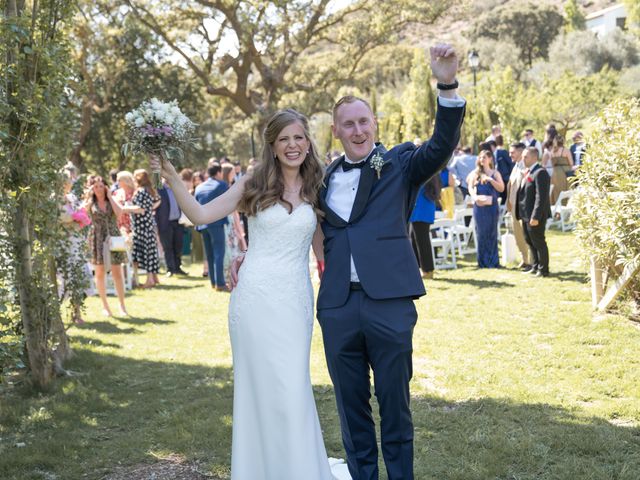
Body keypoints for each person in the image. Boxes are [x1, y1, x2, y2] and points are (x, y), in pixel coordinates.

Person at [150, 108, 350, 479]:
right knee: (259, 390)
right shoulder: (253, 183)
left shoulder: (317, 186)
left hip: (294, 301)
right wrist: (172, 176)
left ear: (308, 142)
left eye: (298, 137)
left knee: (292, 387)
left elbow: (326, 250)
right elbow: (199, 215)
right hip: (255, 299)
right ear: (272, 146)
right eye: (284, 139)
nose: (292, 145)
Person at [311, 43, 464, 480]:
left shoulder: (399, 164)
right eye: (348, 124)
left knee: (396, 406)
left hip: (391, 303)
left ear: (374, 123)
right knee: (350, 409)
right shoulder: (320, 179)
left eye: (364, 121)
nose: (358, 130)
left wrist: (447, 83)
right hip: (338, 307)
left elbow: (441, 145)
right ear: (337, 132)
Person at [84, 175, 130, 317]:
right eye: (95, 186)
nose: (98, 189)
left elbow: (119, 213)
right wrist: (88, 194)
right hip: (97, 238)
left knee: (117, 272)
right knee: (100, 273)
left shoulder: (112, 200)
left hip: (113, 237)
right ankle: (105, 306)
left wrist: (110, 196)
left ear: (105, 187)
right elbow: (83, 212)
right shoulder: (90, 203)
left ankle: (122, 306)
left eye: (101, 186)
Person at [516, 147, 551, 277]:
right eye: (523, 157)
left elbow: (541, 197)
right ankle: (535, 265)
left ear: (534, 157)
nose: (523, 159)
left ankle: (543, 269)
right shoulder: (529, 172)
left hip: (535, 215)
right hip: (525, 214)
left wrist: (535, 216)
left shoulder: (540, 172)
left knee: (539, 241)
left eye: (526, 157)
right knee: (530, 241)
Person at [194, 163, 229, 291]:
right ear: (219, 172)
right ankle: (220, 283)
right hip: (217, 223)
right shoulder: (222, 185)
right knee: (219, 253)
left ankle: (213, 282)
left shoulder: (199, 187)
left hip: (203, 224)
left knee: (209, 255)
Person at [467, 150, 504, 268]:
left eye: (484, 157)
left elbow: (501, 189)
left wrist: (491, 180)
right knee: (481, 233)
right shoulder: (475, 173)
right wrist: (475, 197)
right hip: (479, 207)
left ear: (490, 159)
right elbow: (470, 187)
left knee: (492, 233)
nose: (482, 159)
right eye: (480, 157)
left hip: (492, 207)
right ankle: (482, 262)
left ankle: (493, 262)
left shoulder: (495, 173)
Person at [129, 169, 161, 288]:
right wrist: (150, 209)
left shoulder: (140, 191)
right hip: (148, 225)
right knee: (151, 252)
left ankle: (149, 280)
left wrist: (126, 208)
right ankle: (153, 278)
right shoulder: (150, 190)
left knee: (146, 253)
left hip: (141, 226)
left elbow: (140, 209)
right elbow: (158, 201)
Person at [410, 174, 441, 279]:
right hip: (417, 210)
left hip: (422, 209)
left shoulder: (426, 173)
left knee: (422, 241)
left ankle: (428, 270)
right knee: (414, 239)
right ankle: (418, 268)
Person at [506, 143, 531, 270]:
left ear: (521, 152)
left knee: (526, 235)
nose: (510, 154)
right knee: (518, 235)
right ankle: (524, 259)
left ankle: (532, 261)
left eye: (513, 152)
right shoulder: (515, 166)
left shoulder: (527, 168)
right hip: (514, 207)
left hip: (523, 208)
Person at [155, 177, 186, 277]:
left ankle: (178, 267)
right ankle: (170, 269)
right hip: (165, 223)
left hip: (178, 222)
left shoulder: (177, 188)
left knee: (178, 246)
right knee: (167, 247)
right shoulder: (159, 189)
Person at [543, 135, 573, 205]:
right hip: (565, 172)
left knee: (556, 191)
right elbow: (571, 163)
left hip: (555, 173)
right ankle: (565, 206)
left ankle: (556, 207)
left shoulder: (552, 151)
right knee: (566, 190)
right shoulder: (566, 150)